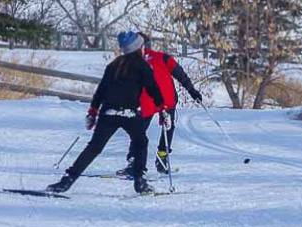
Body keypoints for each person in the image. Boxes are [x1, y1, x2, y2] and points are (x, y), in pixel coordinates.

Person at [47, 31, 165, 196]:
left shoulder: (114, 65)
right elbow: (153, 89)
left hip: (108, 113)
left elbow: (101, 90)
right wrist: (162, 107)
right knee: (140, 143)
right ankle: (140, 181)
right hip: (130, 114)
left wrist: (93, 112)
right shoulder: (143, 66)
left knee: (94, 148)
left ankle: (67, 180)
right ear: (138, 48)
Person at [117, 32, 202, 176]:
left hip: (146, 101)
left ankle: (134, 162)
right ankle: (162, 158)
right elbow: (180, 74)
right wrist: (191, 90)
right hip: (166, 99)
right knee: (168, 128)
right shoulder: (163, 57)